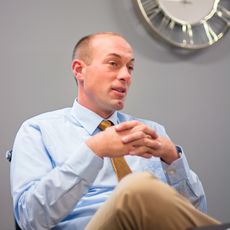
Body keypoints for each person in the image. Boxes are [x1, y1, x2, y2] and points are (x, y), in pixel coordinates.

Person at [11, 32, 220, 230]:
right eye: (113, 64)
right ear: (79, 70)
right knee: (137, 187)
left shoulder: (152, 132)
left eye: (130, 68)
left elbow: (196, 218)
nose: (125, 76)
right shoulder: (37, 130)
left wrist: (173, 159)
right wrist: (93, 151)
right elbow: (30, 219)